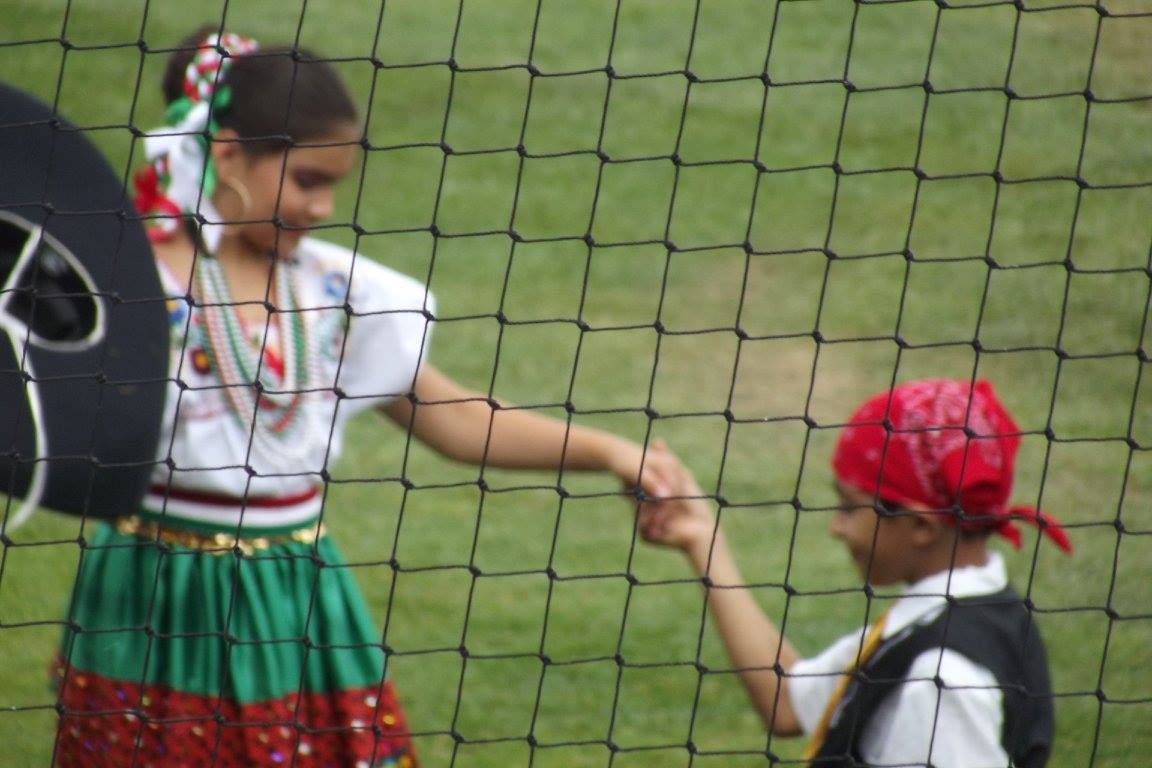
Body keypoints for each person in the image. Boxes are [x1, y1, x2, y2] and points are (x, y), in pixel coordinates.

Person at [52, 27, 675, 768]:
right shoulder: (129, 288)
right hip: (159, 592)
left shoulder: (337, 294)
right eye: (307, 180)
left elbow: (453, 418)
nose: (322, 207)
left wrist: (610, 452)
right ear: (227, 158)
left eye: (334, 185)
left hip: (300, 597)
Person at [638, 379, 1072, 768]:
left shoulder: (940, 679)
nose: (836, 527)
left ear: (921, 525)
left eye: (848, 507)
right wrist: (703, 540)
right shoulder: (978, 612)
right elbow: (786, 700)